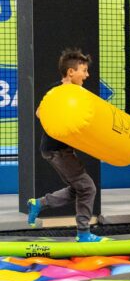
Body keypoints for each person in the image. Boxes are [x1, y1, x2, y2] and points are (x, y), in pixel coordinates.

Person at [26, 48, 104, 242]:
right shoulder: (61, 92)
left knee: (78, 188)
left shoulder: (64, 91)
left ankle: (38, 204)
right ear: (71, 72)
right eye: (83, 70)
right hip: (57, 150)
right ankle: (83, 233)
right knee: (88, 188)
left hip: (56, 149)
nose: (87, 75)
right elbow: (39, 113)